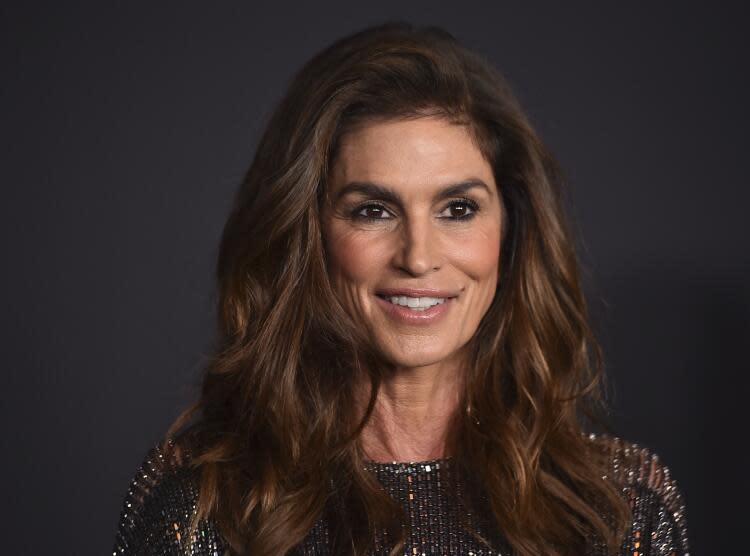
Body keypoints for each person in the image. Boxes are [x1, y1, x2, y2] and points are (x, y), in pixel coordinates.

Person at [112, 22, 689, 556]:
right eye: (373, 210)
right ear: (307, 233)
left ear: (511, 232)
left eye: (458, 208)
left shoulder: (619, 510)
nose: (418, 257)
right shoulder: (205, 505)